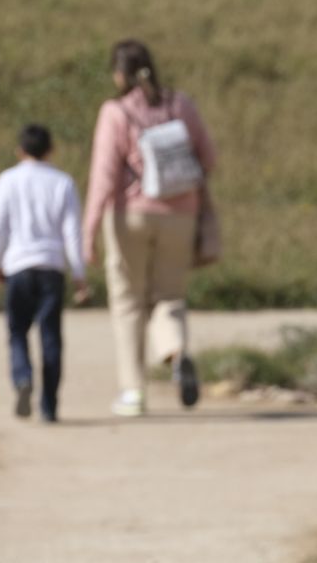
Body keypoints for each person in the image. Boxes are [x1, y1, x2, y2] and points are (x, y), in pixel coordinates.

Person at [83, 39, 217, 417]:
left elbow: (104, 175)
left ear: (119, 74)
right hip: (180, 214)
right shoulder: (181, 105)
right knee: (169, 296)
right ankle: (176, 353)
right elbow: (209, 158)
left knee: (128, 302)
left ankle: (133, 392)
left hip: (131, 215)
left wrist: (89, 229)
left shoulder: (116, 112)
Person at [0, 124, 90, 423]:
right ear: (51, 150)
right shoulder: (63, 182)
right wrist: (79, 274)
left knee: (17, 331)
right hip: (51, 269)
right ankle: (49, 405)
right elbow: (72, 233)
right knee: (51, 337)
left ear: (20, 151)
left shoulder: (8, 180)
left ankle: (22, 378)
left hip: (18, 266)